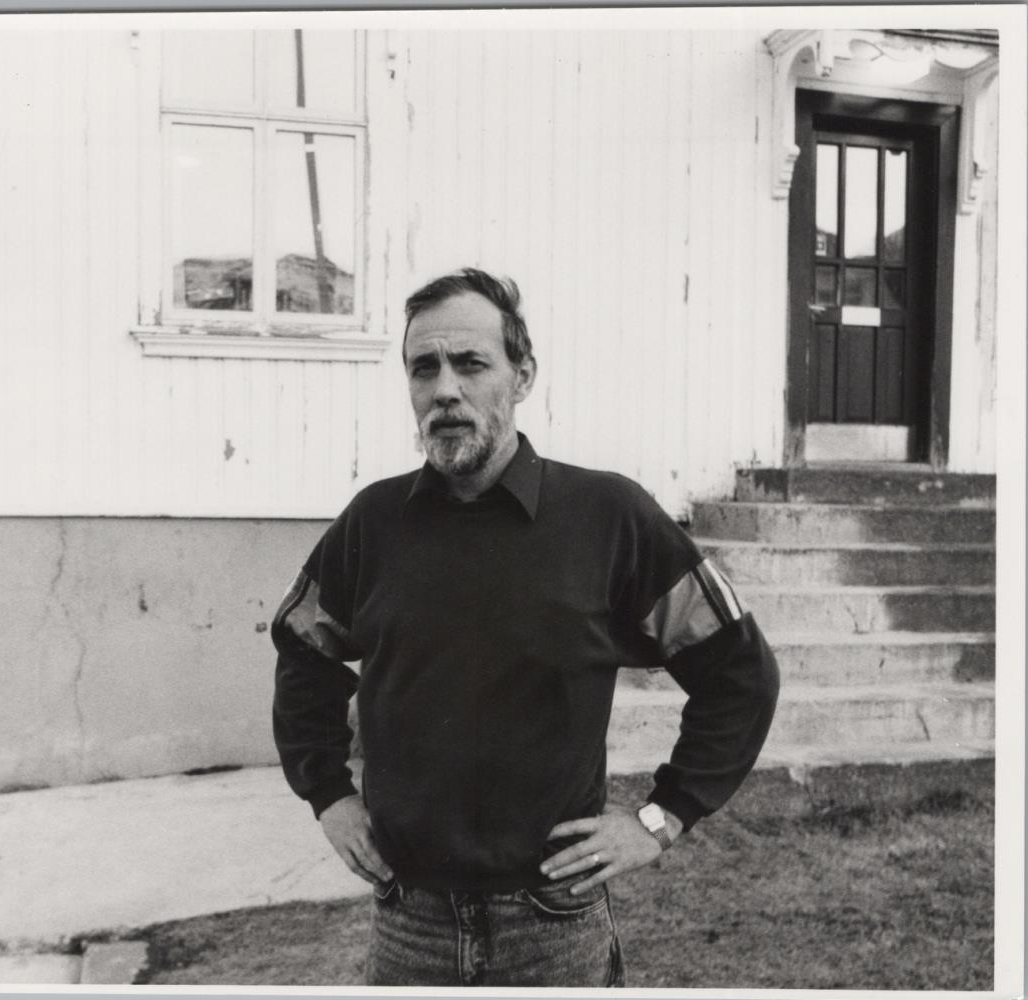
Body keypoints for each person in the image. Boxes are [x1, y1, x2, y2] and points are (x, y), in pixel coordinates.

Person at [271, 268, 780, 987]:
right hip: (409, 924)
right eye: (424, 369)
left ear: (523, 376)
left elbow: (739, 672)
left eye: (471, 364)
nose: (445, 390)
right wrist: (327, 793)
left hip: (553, 924)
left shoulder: (610, 519)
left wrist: (661, 818)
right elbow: (303, 652)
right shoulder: (372, 525)